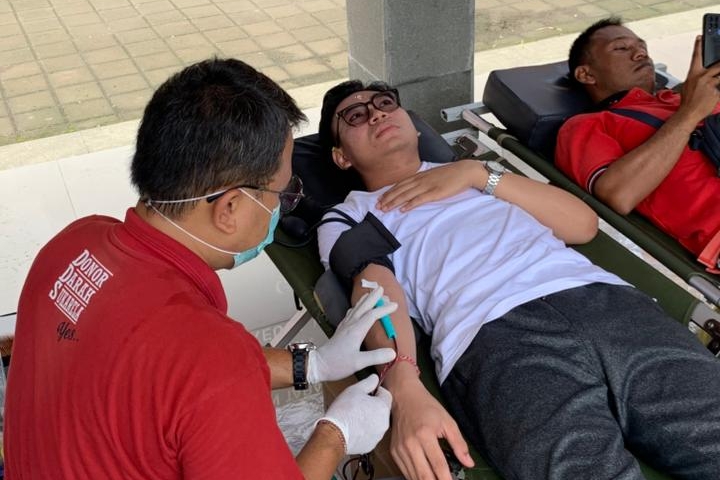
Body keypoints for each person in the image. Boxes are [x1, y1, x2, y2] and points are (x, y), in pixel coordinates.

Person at [4, 59, 399, 480]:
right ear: (230, 208)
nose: (282, 206)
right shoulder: (208, 353)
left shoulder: (74, 243)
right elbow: (204, 369)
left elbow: (170, 379)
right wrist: (335, 435)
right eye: (282, 194)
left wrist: (311, 365)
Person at [316, 79, 720, 480]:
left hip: (609, 304)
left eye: (385, 103)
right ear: (341, 156)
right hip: (496, 341)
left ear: (412, 123)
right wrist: (402, 385)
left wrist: (477, 174)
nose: (376, 114)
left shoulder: (475, 175)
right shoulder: (351, 214)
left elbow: (582, 226)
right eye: (355, 115)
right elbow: (376, 295)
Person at [555, 17, 720, 272]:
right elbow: (619, 194)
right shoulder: (588, 125)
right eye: (621, 48)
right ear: (586, 74)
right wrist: (689, 114)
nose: (640, 53)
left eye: (642, 46)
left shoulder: (681, 97)